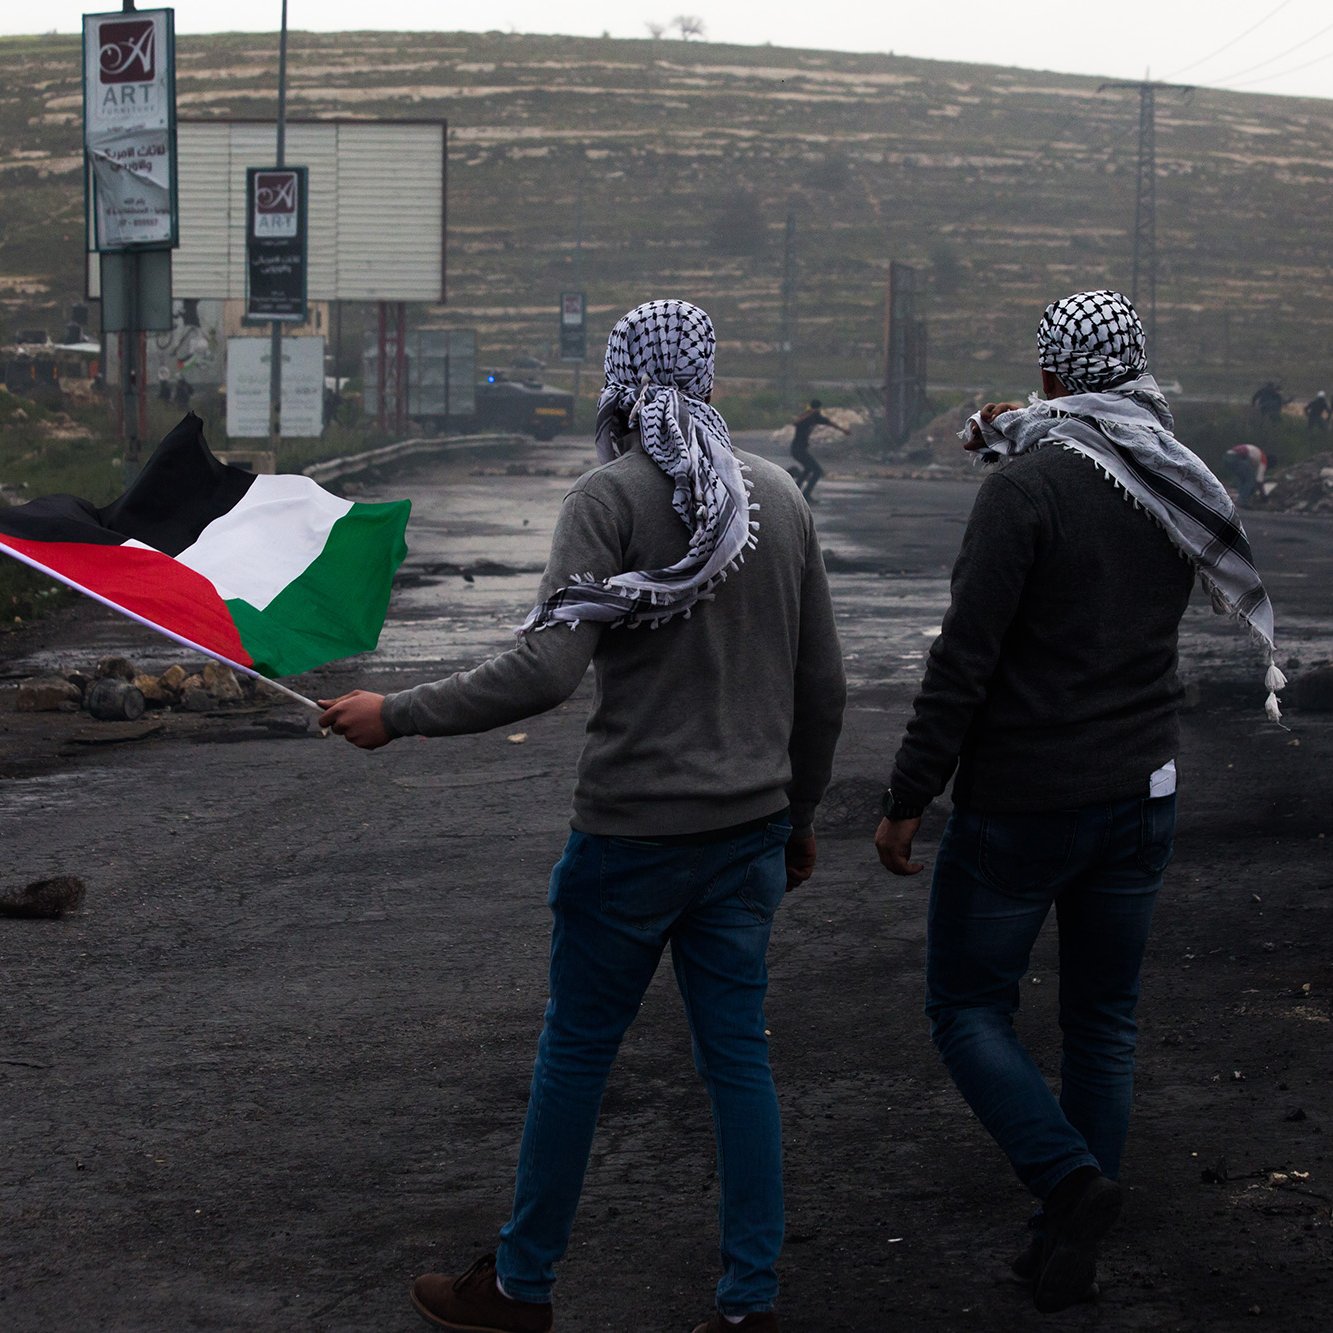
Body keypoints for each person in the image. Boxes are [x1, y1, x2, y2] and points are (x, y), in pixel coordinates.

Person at [320, 299, 846, 1333]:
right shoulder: (778, 499)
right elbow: (820, 688)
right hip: (745, 833)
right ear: (708, 376)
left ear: (618, 379)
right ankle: (749, 1302)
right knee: (738, 1062)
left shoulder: (608, 499)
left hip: (631, 839)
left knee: (577, 1055)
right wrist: (798, 816)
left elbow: (547, 670)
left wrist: (402, 714)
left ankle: (520, 1288)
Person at [873, 290, 1284, 1315]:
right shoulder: (1167, 481)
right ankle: (1068, 1250)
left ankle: (1065, 1181)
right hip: (1142, 791)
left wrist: (907, 795)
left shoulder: (1027, 488)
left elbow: (964, 662)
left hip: (1028, 799)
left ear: (1051, 376)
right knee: (1102, 1022)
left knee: (966, 1005)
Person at [787, 399, 850, 500]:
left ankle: (796, 492)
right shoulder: (805, 416)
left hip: (801, 449)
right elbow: (795, 422)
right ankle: (806, 495)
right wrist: (809, 413)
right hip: (797, 449)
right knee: (817, 471)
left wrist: (843, 430)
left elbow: (829, 422)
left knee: (808, 469)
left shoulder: (816, 417)